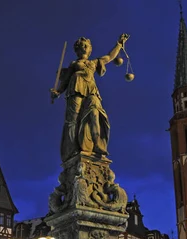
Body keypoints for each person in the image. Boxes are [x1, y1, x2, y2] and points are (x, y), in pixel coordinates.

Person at [50, 33, 130, 162]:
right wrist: (58, 92)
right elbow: (64, 81)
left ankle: (97, 143)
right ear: (77, 50)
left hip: (91, 90)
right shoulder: (74, 63)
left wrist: (119, 44)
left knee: (95, 112)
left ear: (90, 48)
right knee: (73, 120)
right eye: (81, 46)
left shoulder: (94, 62)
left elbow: (110, 57)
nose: (83, 47)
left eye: (86, 45)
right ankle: (72, 149)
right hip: (76, 89)